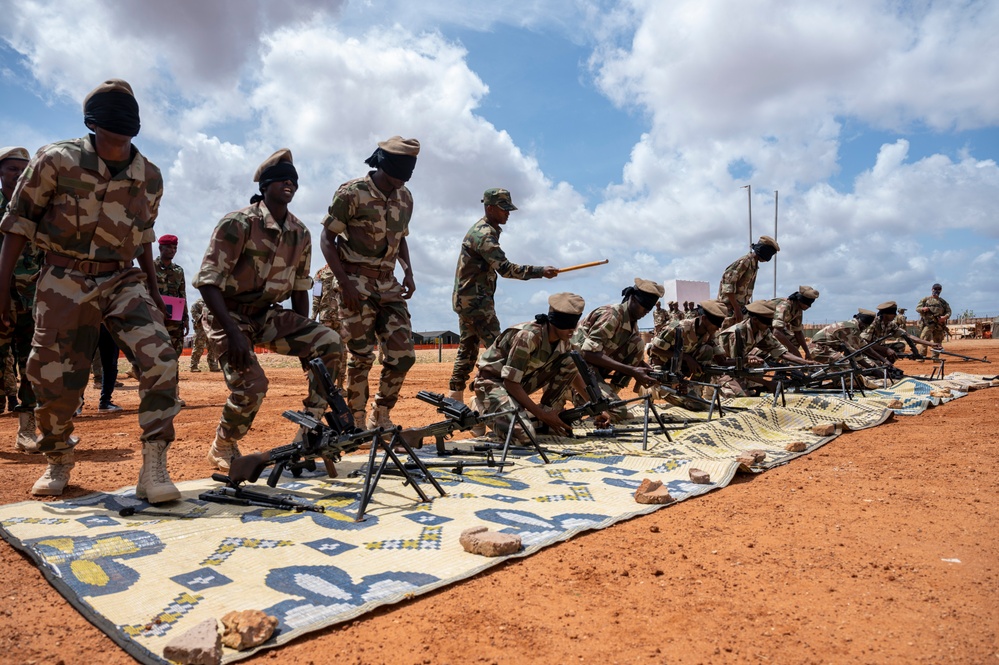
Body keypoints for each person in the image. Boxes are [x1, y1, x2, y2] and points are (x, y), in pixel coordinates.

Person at [0, 79, 180, 500]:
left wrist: (153, 293)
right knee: (52, 380)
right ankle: (58, 457)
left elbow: (143, 240)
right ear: (92, 121)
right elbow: (16, 227)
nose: (120, 124)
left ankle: (154, 467)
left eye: (127, 114)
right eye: (111, 114)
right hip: (63, 279)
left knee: (161, 358)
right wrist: (1, 291)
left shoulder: (149, 176)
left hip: (122, 278)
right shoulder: (55, 160)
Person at [196, 149, 343, 471]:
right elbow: (208, 282)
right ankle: (223, 443)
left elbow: (301, 287)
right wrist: (234, 334)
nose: (288, 184)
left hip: (266, 314)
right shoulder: (238, 224)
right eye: (281, 180)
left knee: (329, 341)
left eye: (293, 180)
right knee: (253, 384)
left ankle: (309, 427)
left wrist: (307, 340)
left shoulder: (300, 233)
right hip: (228, 314)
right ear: (265, 186)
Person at [319, 136, 420, 429]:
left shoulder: (405, 197)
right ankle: (356, 417)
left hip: (388, 286)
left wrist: (408, 272)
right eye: (400, 174)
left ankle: (381, 412)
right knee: (361, 356)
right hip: (355, 283)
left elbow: (401, 240)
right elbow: (327, 239)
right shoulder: (352, 193)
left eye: (408, 174)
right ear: (385, 165)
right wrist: (344, 284)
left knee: (403, 356)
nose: (404, 180)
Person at [448, 188, 557, 404]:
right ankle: (487, 398)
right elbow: (506, 269)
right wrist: (540, 271)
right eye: (503, 209)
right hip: (477, 302)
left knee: (468, 349)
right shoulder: (484, 234)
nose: (508, 213)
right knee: (499, 350)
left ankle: (455, 397)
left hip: (467, 300)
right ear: (489, 208)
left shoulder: (486, 230)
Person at [472, 293, 589, 442]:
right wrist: (541, 415)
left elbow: (573, 373)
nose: (572, 330)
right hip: (493, 382)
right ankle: (481, 408)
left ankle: (544, 412)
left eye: (574, 323)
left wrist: (593, 405)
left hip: (520, 382)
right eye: (567, 325)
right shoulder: (528, 336)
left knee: (572, 360)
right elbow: (510, 383)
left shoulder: (564, 340)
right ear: (555, 322)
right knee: (523, 437)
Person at [570, 278, 663, 419]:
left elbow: (633, 358)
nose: (646, 312)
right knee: (619, 413)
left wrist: (649, 372)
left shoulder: (632, 324)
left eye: (649, 309)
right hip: (576, 371)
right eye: (644, 306)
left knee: (638, 344)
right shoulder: (612, 315)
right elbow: (587, 354)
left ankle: (606, 397)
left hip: (593, 369)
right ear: (632, 299)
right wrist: (632, 371)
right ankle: (576, 394)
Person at [0, 146, 42, 449]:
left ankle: (27, 429)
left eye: (23, 169)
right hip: (0, 298)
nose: (18, 175)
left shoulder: (40, 208)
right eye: (12, 168)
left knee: (32, 364)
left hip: (33, 301)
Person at [713, 300, 817, 397]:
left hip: (738, 367)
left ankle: (750, 384)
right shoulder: (737, 334)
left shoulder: (763, 330)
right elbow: (737, 368)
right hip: (721, 370)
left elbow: (780, 351)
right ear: (754, 320)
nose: (769, 326)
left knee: (765, 361)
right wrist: (767, 383)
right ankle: (715, 390)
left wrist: (804, 363)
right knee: (741, 398)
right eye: (766, 323)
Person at [154, 233, 188, 406]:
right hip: (155, 320)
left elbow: (182, 295)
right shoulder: (150, 268)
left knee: (174, 356)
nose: (172, 250)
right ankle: (157, 394)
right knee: (157, 356)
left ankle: (174, 394)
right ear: (160, 248)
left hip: (175, 321)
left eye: (175, 247)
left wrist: (186, 318)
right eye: (169, 247)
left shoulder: (178, 271)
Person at [717, 235, 780, 324]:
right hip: (729, 309)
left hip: (738, 309)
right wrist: (737, 309)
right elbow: (727, 287)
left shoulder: (753, 265)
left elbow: (743, 292)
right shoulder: (745, 262)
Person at [862, 301, 940, 360]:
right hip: (864, 351)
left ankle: (887, 366)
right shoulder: (873, 323)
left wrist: (931, 344)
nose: (895, 315)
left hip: (876, 349)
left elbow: (908, 336)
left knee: (900, 346)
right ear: (886, 314)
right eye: (893, 313)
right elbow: (865, 344)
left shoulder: (890, 324)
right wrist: (886, 349)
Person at [311, 263, 347, 390]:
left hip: (325, 317)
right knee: (342, 351)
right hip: (341, 317)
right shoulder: (345, 270)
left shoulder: (320, 273)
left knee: (324, 351)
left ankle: (323, 386)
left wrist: (312, 317)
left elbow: (316, 297)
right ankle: (340, 387)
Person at [771, 285, 819, 359]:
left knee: (794, 340)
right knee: (773, 343)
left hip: (771, 329)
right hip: (760, 329)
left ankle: (784, 366)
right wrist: (795, 352)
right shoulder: (785, 306)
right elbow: (776, 333)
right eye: (806, 303)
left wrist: (807, 352)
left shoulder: (798, 309)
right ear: (800, 300)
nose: (809, 306)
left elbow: (798, 332)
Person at [916, 283, 952, 355]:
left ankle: (935, 357)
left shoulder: (943, 302)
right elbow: (917, 308)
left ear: (941, 290)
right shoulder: (925, 300)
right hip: (928, 324)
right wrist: (923, 309)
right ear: (932, 289)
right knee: (924, 340)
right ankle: (922, 357)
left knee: (938, 341)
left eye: (939, 289)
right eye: (935, 289)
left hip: (939, 325)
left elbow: (949, 311)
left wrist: (944, 317)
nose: (937, 290)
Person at [188, 298, 220, 372]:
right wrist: (209, 317)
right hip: (200, 330)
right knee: (198, 348)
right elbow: (196, 316)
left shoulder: (214, 304)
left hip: (211, 329)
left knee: (213, 348)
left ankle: (213, 366)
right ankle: (193, 366)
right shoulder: (196, 304)